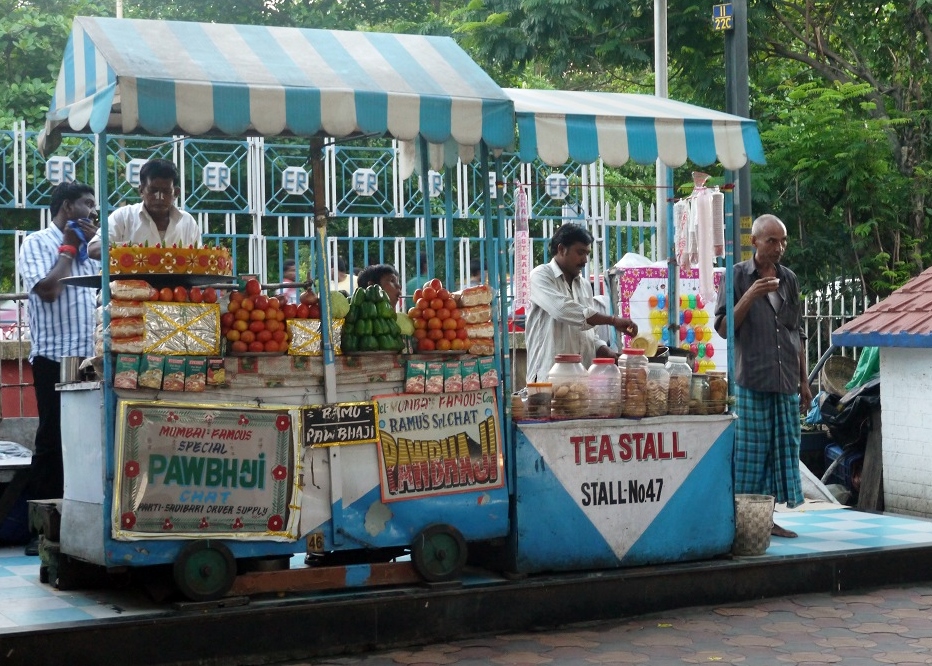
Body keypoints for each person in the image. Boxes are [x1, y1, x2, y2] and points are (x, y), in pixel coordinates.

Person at [714, 213, 811, 539]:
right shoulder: (737, 276)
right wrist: (751, 295)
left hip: (785, 382)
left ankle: (767, 519)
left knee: (781, 452)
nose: (779, 247)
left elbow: (796, 332)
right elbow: (726, 329)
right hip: (751, 380)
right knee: (750, 455)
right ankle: (743, 522)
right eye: (772, 241)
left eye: (783, 241)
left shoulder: (790, 279)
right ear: (754, 241)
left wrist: (804, 380)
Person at [18, 181, 100, 555]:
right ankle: (43, 532)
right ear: (67, 207)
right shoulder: (36, 242)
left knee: (88, 442)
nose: (93, 213)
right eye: (87, 205)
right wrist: (67, 247)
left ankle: (82, 522)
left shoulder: (93, 247)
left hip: (89, 359)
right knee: (52, 440)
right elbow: (48, 290)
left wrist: (85, 244)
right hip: (54, 358)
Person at [525, 223, 637, 383]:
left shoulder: (584, 285)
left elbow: (589, 334)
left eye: (587, 253)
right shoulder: (540, 276)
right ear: (561, 249)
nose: (585, 260)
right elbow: (562, 310)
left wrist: (605, 351)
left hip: (581, 381)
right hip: (547, 379)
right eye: (580, 253)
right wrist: (612, 320)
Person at [87, 158, 200, 258]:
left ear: (176, 193)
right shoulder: (123, 216)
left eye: (166, 191)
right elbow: (93, 248)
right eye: (153, 190)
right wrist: (131, 250)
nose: (159, 197)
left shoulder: (188, 222)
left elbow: (199, 258)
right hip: (128, 283)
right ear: (141, 190)